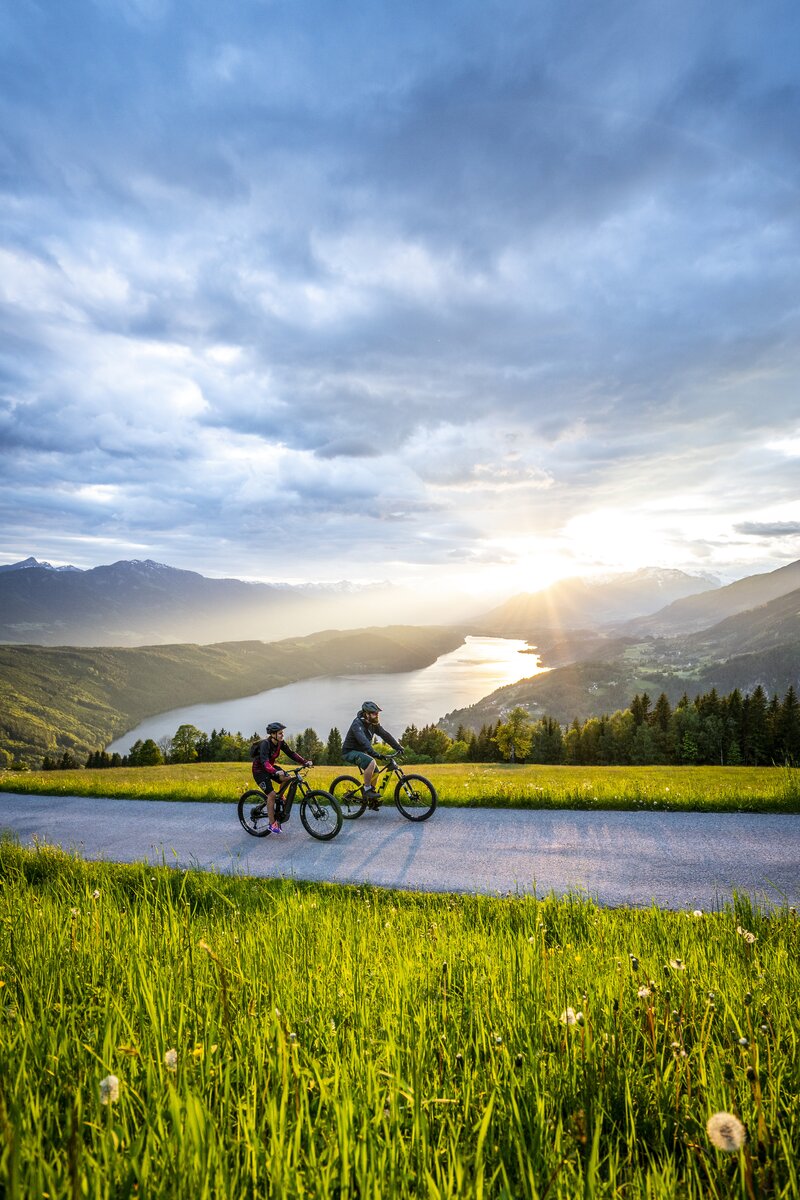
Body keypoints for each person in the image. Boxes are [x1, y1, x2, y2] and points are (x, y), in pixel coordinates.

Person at [251, 721, 312, 834]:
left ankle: (281, 796)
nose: (282, 735)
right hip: (259, 770)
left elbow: (291, 753)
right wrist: (275, 771)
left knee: (288, 777)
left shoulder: (280, 743)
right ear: (273, 734)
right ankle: (272, 824)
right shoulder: (265, 744)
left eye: (282, 733)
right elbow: (264, 762)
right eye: (280, 733)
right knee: (272, 795)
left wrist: (305, 762)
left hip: (270, 767)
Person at [341, 701, 404, 809]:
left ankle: (371, 799)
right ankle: (367, 789)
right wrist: (375, 754)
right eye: (374, 713)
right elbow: (364, 742)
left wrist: (398, 746)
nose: (377, 715)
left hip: (361, 752)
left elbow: (385, 735)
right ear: (367, 714)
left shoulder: (373, 724)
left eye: (377, 713)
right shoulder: (357, 724)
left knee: (376, 771)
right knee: (371, 762)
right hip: (349, 752)